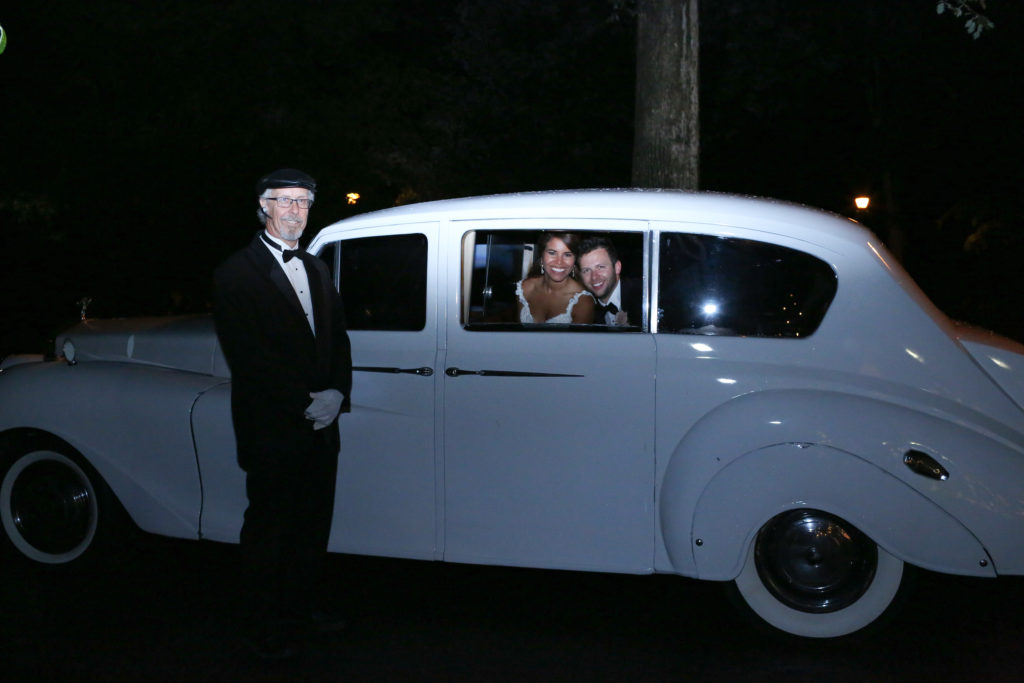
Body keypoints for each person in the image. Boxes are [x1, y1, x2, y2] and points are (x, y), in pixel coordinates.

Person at [213, 168, 352, 659]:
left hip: (321, 423)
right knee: (270, 526)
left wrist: (338, 391)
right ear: (264, 207)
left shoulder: (316, 268)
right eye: (287, 201)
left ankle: (299, 608)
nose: (297, 211)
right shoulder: (235, 274)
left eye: (305, 202)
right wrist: (305, 403)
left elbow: (337, 339)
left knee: (313, 523)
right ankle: (260, 619)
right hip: (273, 426)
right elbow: (250, 359)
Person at [516, 232, 595, 324]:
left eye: (567, 254)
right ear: (542, 255)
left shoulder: (583, 302)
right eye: (552, 253)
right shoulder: (524, 289)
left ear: (574, 260)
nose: (559, 262)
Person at [578, 236, 642, 327]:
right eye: (586, 270)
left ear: (617, 268)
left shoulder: (643, 296)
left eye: (600, 267)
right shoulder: (585, 310)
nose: (594, 277)